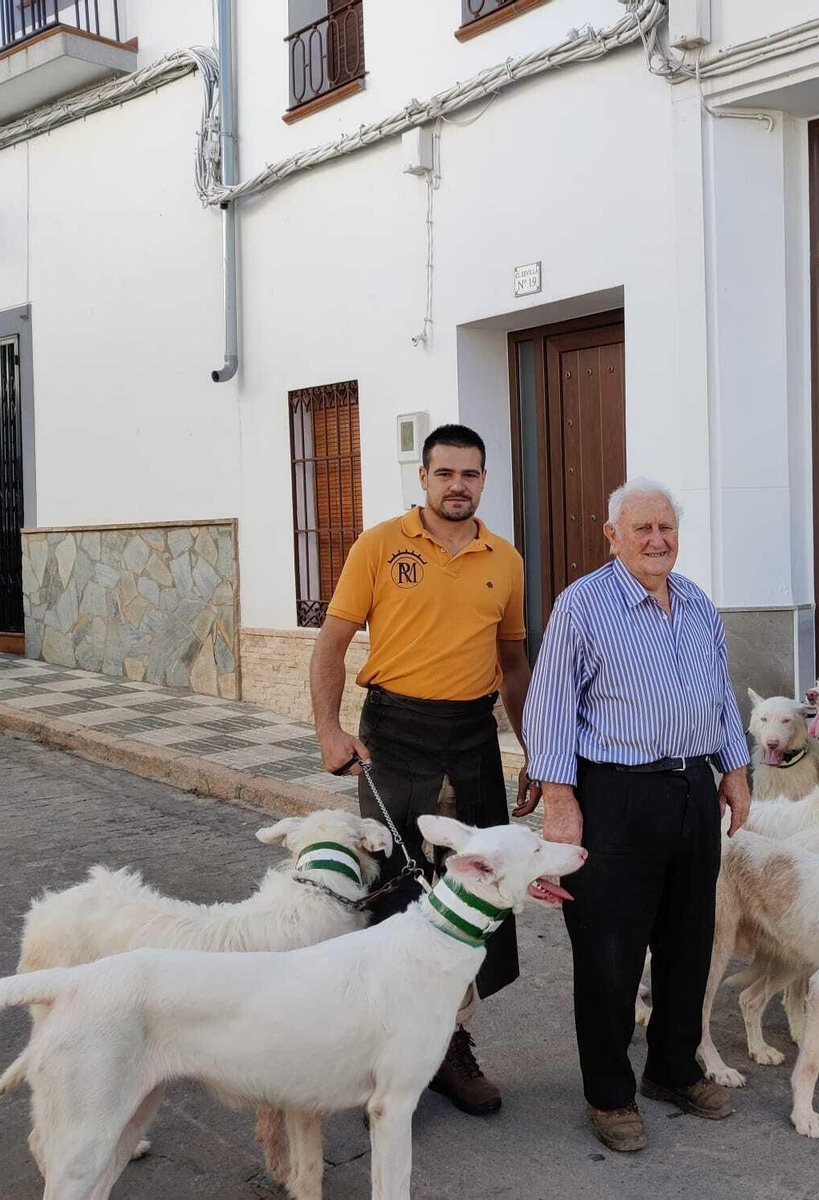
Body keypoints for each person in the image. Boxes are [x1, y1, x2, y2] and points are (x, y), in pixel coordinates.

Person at [310, 422, 541, 1114]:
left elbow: (513, 665)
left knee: (478, 894)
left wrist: (535, 751)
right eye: (445, 474)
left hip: (471, 738)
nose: (457, 486)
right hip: (395, 736)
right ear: (424, 477)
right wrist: (330, 728)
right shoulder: (380, 545)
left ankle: (449, 1046)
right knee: (394, 896)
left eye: (470, 475)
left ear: (483, 479)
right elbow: (331, 646)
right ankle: (383, 1054)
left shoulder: (506, 558)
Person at [522, 477, 751, 1154]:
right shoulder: (583, 606)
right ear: (613, 535)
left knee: (688, 941)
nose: (657, 540)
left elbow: (718, 694)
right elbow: (550, 709)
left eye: (667, 529)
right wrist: (561, 804)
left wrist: (735, 769)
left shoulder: (698, 604)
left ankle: (673, 1069)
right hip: (614, 795)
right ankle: (609, 1093)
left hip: (689, 790)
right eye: (642, 528)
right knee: (609, 952)